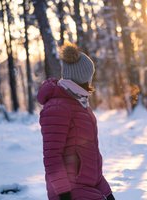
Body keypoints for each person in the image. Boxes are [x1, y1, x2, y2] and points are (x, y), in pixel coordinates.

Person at [37, 42, 115, 200]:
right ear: (83, 77)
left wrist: (107, 192)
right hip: (70, 191)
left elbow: (90, 159)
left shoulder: (81, 105)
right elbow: (52, 156)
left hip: (87, 187)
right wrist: (64, 194)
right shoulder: (57, 107)